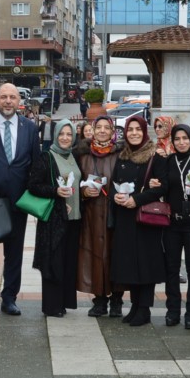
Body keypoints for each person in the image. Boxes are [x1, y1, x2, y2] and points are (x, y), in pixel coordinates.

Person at [0, 83, 38, 318]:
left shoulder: (30, 128)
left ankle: (9, 298)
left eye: (13, 97)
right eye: (3, 97)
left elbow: (35, 163)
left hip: (18, 201)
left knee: (15, 253)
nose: (8, 101)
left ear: (19, 100)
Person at [109, 115, 167, 326]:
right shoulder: (122, 156)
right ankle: (134, 305)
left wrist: (137, 200)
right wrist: (115, 197)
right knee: (130, 264)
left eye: (138, 129)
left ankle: (144, 309)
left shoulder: (156, 156)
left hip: (145, 218)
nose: (134, 133)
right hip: (125, 217)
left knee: (145, 264)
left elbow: (162, 187)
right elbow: (115, 182)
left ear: (144, 131)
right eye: (130, 129)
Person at [29, 119, 82, 318]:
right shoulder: (46, 156)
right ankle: (52, 306)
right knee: (53, 262)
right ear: (55, 135)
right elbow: (33, 185)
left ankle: (64, 302)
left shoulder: (73, 156)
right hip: (54, 220)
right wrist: (55, 191)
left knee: (68, 262)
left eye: (69, 134)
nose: (65, 138)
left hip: (75, 219)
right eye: (61, 134)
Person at [161, 124, 190, 328]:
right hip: (172, 221)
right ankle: (173, 311)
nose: (181, 142)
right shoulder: (168, 161)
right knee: (172, 268)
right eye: (177, 139)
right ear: (172, 141)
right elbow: (162, 185)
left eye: (185, 138)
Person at [77, 115, 120, 316]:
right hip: (92, 214)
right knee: (94, 255)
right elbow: (73, 182)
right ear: (92, 130)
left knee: (116, 254)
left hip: (116, 212)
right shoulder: (82, 155)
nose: (102, 131)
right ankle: (99, 300)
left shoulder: (120, 154)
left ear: (113, 132)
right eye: (99, 127)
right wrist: (84, 192)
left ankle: (117, 300)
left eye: (106, 128)